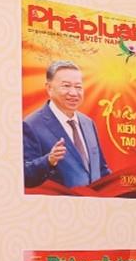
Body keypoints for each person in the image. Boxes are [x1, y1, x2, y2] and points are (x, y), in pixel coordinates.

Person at [23, 60, 110, 189]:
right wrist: (49, 160)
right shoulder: (31, 125)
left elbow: (101, 169)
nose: (73, 93)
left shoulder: (88, 123)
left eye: (78, 87)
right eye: (66, 86)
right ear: (49, 88)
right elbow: (25, 175)